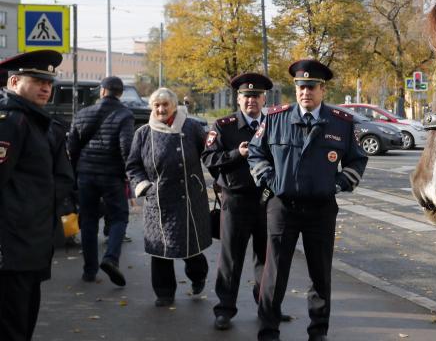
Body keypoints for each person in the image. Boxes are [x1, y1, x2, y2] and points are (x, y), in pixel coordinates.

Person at [248, 59, 368, 341]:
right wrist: (270, 180)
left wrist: (338, 184)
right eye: (301, 87)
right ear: (295, 89)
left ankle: (318, 332)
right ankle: (268, 330)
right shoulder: (275, 119)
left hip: (321, 209)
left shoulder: (341, 123)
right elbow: (256, 153)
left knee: (320, 274)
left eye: (311, 87)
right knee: (274, 274)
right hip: (283, 207)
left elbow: (357, 160)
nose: (306, 92)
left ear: (322, 90)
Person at [0, 51, 75, 340]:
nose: (46, 88)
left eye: (49, 82)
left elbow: (61, 179)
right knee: (12, 325)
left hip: (32, 243)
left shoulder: (41, 123)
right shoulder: (10, 122)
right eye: (37, 81)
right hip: (11, 246)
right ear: (15, 82)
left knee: (24, 320)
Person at [202, 73, 284, 331]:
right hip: (236, 201)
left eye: (256, 96)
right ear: (238, 99)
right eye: (247, 96)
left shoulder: (275, 124)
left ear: (264, 98)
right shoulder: (223, 126)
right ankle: (224, 309)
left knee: (267, 258)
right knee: (231, 258)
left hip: (267, 200)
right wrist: (236, 154)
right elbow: (208, 158)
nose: (252, 101)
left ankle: (267, 307)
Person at [126, 87, 211, 307]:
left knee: (190, 246)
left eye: (165, 104)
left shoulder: (191, 127)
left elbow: (211, 156)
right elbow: (133, 165)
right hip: (159, 200)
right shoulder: (143, 133)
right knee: (160, 249)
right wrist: (144, 187)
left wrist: (222, 180)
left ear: (174, 106)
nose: (161, 109)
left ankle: (198, 276)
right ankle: (164, 293)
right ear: (151, 107)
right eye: (157, 105)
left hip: (189, 197)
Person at [67, 76, 135, 286]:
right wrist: (128, 175)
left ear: (102, 91)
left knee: (87, 220)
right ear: (120, 93)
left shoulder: (82, 113)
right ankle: (111, 258)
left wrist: (77, 171)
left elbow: (72, 147)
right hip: (112, 175)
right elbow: (126, 148)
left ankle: (89, 271)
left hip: (85, 174)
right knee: (119, 217)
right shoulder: (125, 114)